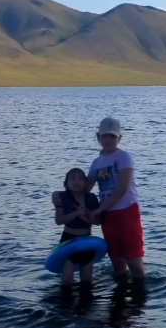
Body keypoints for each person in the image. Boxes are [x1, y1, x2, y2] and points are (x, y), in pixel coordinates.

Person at [53, 118, 145, 282]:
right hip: (108, 215)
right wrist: (59, 195)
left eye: (112, 136)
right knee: (117, 261)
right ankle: (120, 293)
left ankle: (140, 295)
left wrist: (99, 209)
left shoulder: (124, 157)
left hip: (127, 210)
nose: (108, 139)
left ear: (119, 138)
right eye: (105, 136)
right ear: (98, 137)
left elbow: (122, 190)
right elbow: (83, 189)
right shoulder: (97, 162)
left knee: (134, 262)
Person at [53, 168, 101, 293]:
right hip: (69, 240)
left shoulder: (91, 198)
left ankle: (86, 302)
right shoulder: (62, 198)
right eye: (72, 178)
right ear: (66, 183)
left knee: (87, 281)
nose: (76, 181)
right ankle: (66, 303)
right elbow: (59, 220)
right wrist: (76, 213)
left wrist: (88, 216)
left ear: (85, 183)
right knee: (67, 281)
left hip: (87, 241)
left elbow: (98, 221)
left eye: (80, 179)